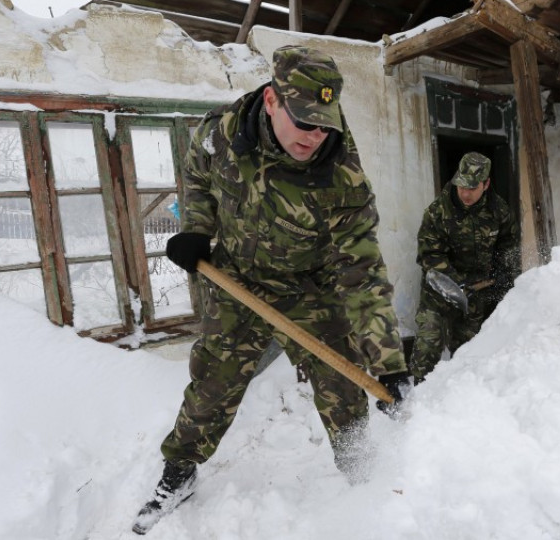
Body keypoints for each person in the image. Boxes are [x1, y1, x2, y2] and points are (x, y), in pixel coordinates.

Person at [132, 46, 410, 533]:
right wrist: (197, 225)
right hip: (236, 278)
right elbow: (197, 171)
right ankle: (179, 470)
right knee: (213, 384)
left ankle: (372, 487)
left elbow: (361, 272)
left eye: (324, 125)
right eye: (304, 122)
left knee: (343, 392)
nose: (314, 137)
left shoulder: (342, 176)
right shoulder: (221, 130)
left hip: (312, 288)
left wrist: (388, 362)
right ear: (272, 101)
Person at [409, 152, 520, 383]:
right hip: (438, 292)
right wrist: (454, 283)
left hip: (474, 295)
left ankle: (456, 404)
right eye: (461, 186)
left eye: (472, 187)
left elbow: (508, 245)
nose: (465, 193)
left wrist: (504, 272)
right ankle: (418, 401)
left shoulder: (499, 212)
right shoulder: (438, 211)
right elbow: (429, 255)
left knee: (467, 354)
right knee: (427, 348)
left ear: (486, 184)